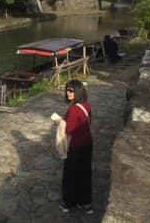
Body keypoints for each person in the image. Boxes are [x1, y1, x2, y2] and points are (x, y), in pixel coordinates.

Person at [57, 79, 93, 214]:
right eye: (67, 90)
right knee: (84, 173)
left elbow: (69, 129)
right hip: (87, 144)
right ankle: (85, 202)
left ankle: (67, 203)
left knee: (70, 175)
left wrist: (60, 122)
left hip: (75, 146)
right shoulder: (86, 105)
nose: (68, 93)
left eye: (71, 90)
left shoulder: (73, 109)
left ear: (77, 91)